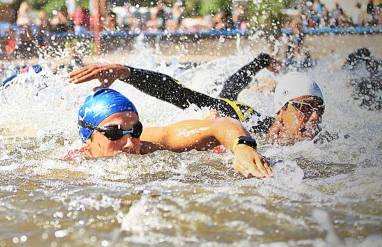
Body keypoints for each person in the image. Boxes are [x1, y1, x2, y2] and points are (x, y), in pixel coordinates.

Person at [68, 55, 325, 144]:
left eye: (319, 109)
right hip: (228, 110)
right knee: (223, 98)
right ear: (281, 110)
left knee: (227, 93)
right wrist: (127, 72)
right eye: (303, 108)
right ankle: (261, 59)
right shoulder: (250, 123)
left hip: (229, 106)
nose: (313, 118)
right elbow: (181, 93)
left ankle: (261, 59)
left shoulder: (324, 141)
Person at [66, 87, 273, 178]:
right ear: (88, 141)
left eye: (135, 130)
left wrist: (242, 146)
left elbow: (219, 125)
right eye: (114, 133)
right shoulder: (68, 168)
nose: (130, 144)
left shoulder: (150, 142)